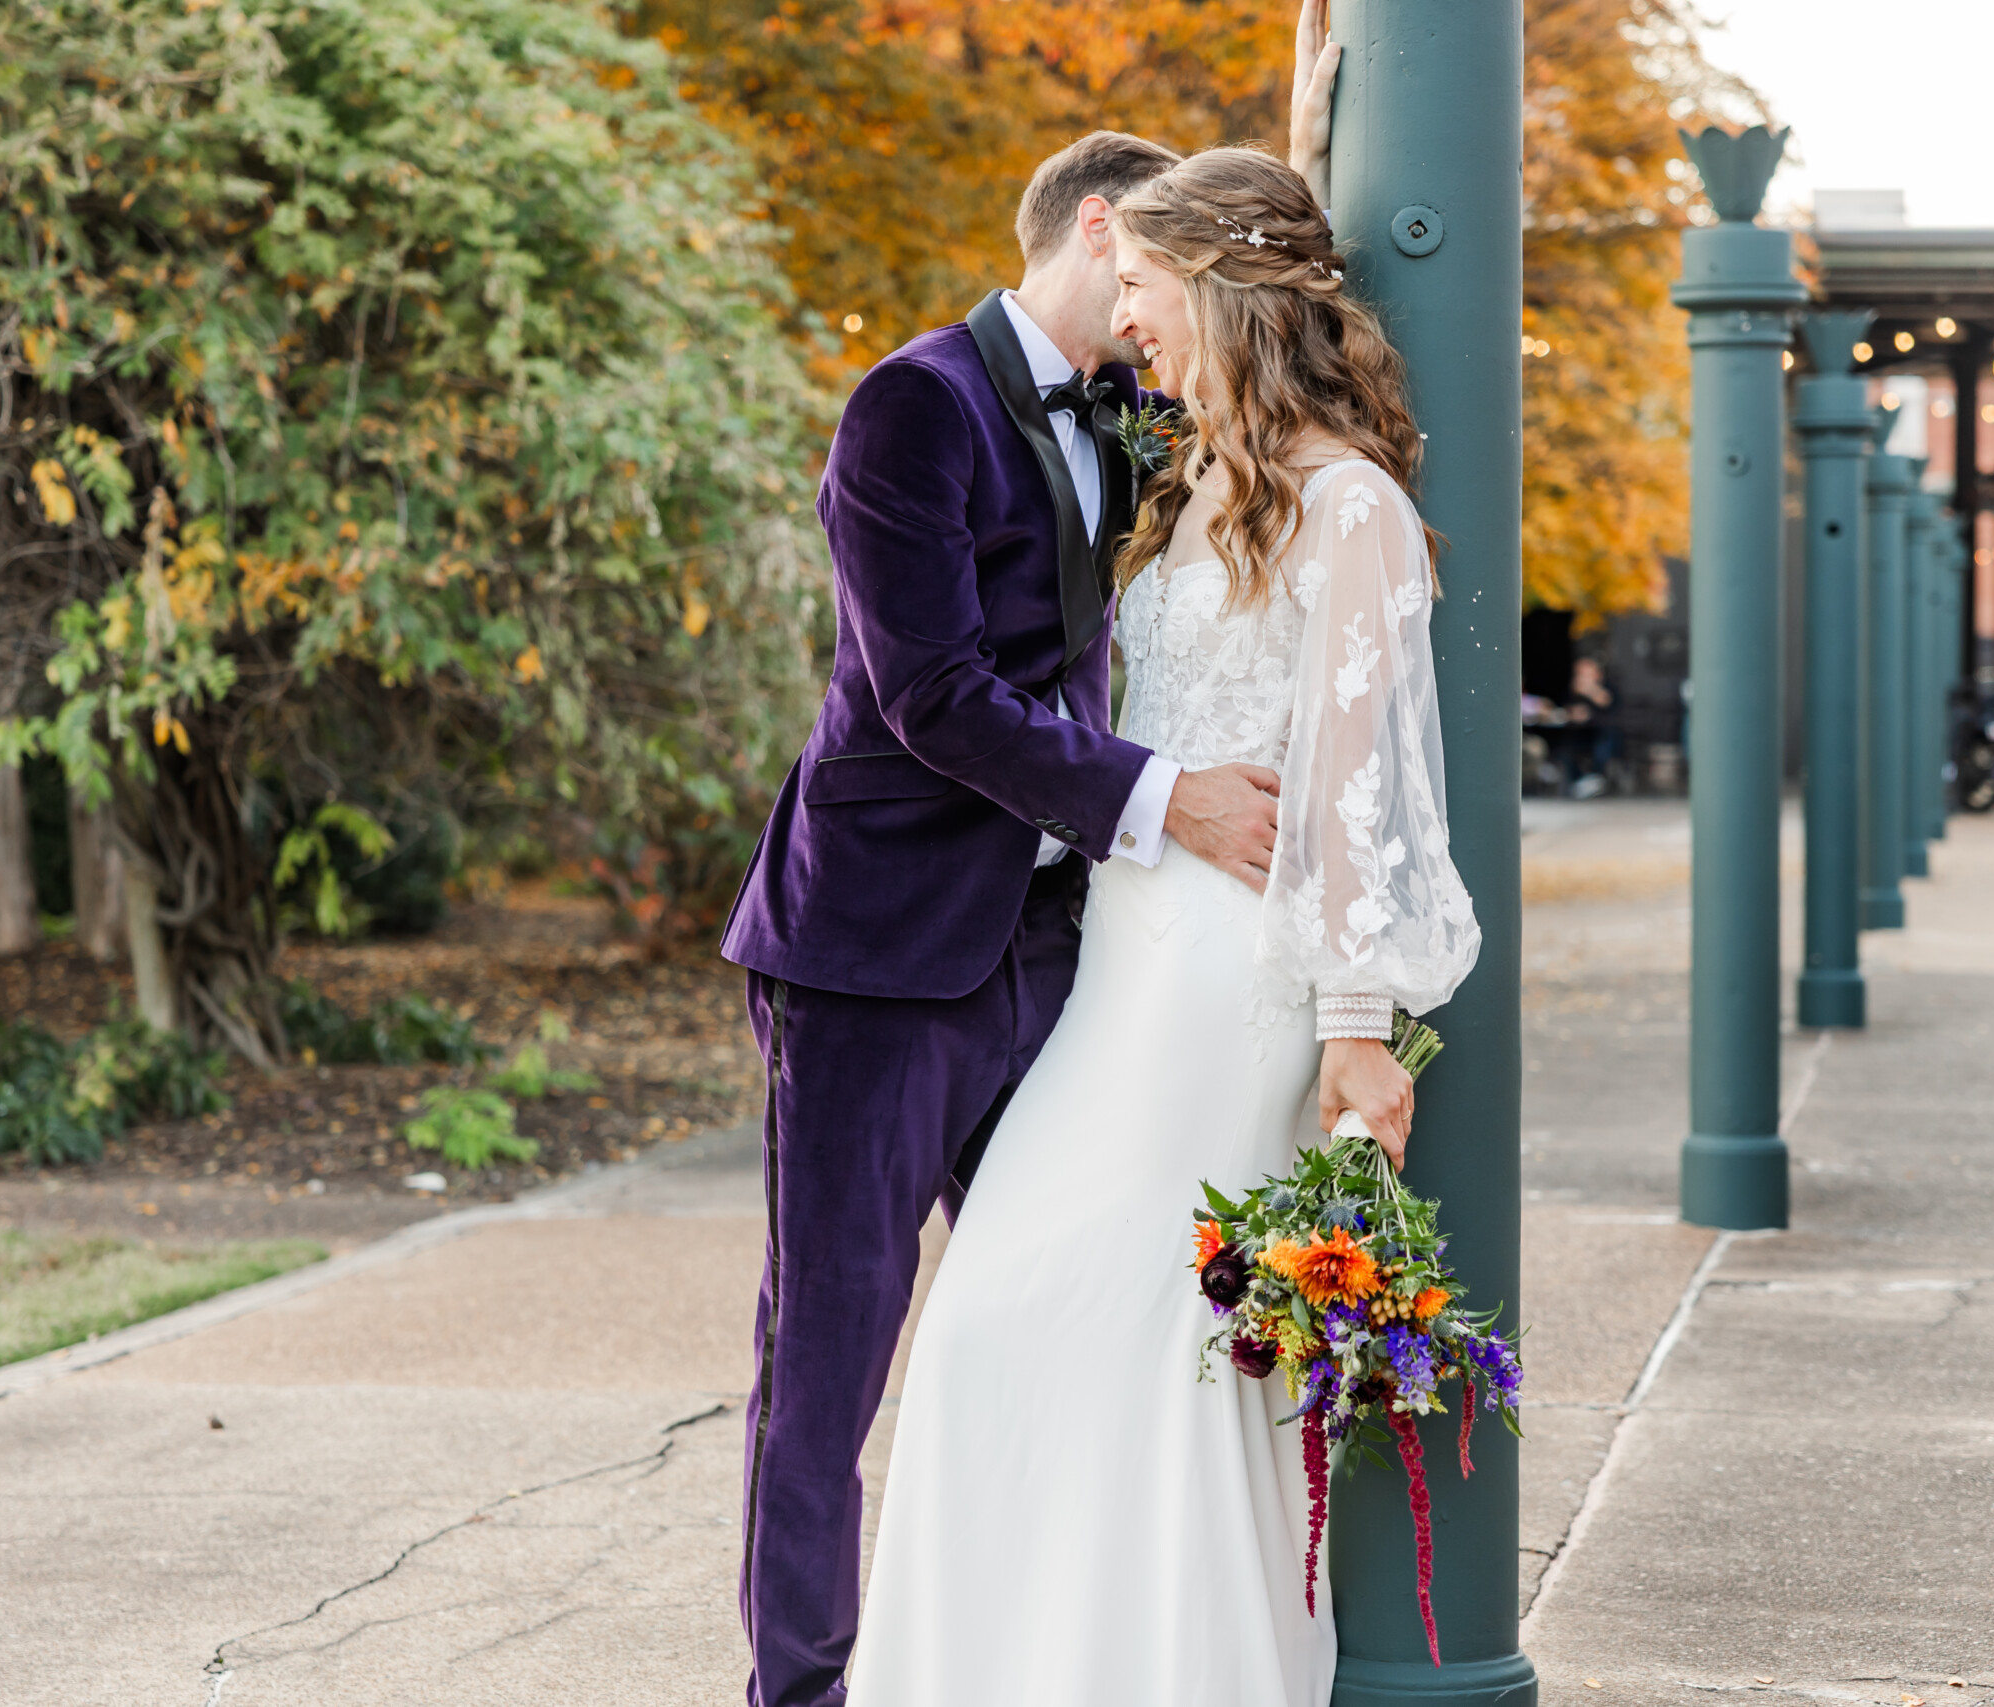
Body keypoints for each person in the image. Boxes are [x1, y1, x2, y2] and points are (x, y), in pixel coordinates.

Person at [715, 11, 1344, 1703]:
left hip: (1061, 957)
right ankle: (808, 1687)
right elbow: (931, 695)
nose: (1153, 319)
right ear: (1097, 230)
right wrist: (1165, 800)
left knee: (1062, 1311)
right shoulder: (908, 406)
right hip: (873, 951)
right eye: (1145, 275)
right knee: (831, 1354)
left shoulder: (1141, 420)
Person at [845, 143, 1479, 1704]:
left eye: (1142, 288)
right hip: (1118, 962)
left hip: (1226, 991)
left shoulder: (1349, 509)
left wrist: (1354, 1037)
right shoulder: (1195, 476)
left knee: (1136, 1352)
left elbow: (1363, 802)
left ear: (1214, 289)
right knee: (1011, 1328)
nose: (1129, 322)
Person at [1558, 654, 1623, 798]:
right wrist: (1575, 713)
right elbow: (1567, 708)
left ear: (1597, 674)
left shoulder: (1607, 687)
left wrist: (1590, 690)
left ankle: (1596, 777)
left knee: (1605, 741)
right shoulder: (1573, 690)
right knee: (1567, 744)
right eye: (1579, 673)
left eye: (1586, 672)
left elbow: (1607, 702)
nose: (1582, 677)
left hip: (1603, 732)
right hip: (1581, 733)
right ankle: (1579, 781)